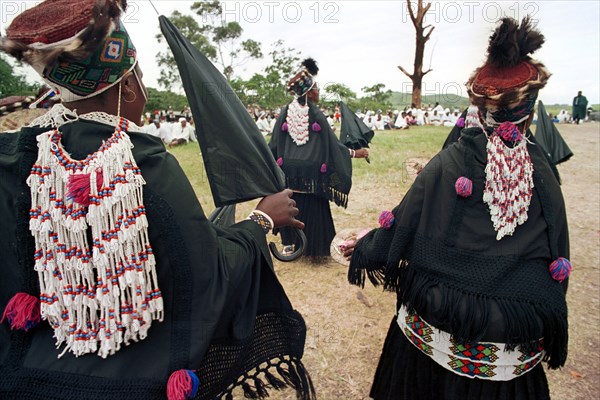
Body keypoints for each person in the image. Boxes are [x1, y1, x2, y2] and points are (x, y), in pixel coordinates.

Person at [0, 1, 315, 399]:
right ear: (128, 86)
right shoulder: (142, 162)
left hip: (23, 376)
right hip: (132, 385)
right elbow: (205, 275)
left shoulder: (13, 156)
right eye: (141, 78)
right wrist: (261, 221)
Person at [344, 17, 569, 400]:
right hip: (513, 341)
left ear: (479, 109)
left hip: (438, 332)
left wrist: (367, 246)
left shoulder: (450, 162)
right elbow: (558, 254)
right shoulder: (543, 172)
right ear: (529, 113)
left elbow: (404, 220)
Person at [269, 58, 368, 262]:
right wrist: (354, 153)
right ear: (309, 92)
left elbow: (274, 144)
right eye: (317, 89)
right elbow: (332, 146)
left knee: (290, 204)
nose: (319, 92)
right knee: (315, 205)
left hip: (289, 171)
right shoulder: (316, 114)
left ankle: (290, 245)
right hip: (312, 173)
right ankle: (316, 250)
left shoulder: (284, 112)